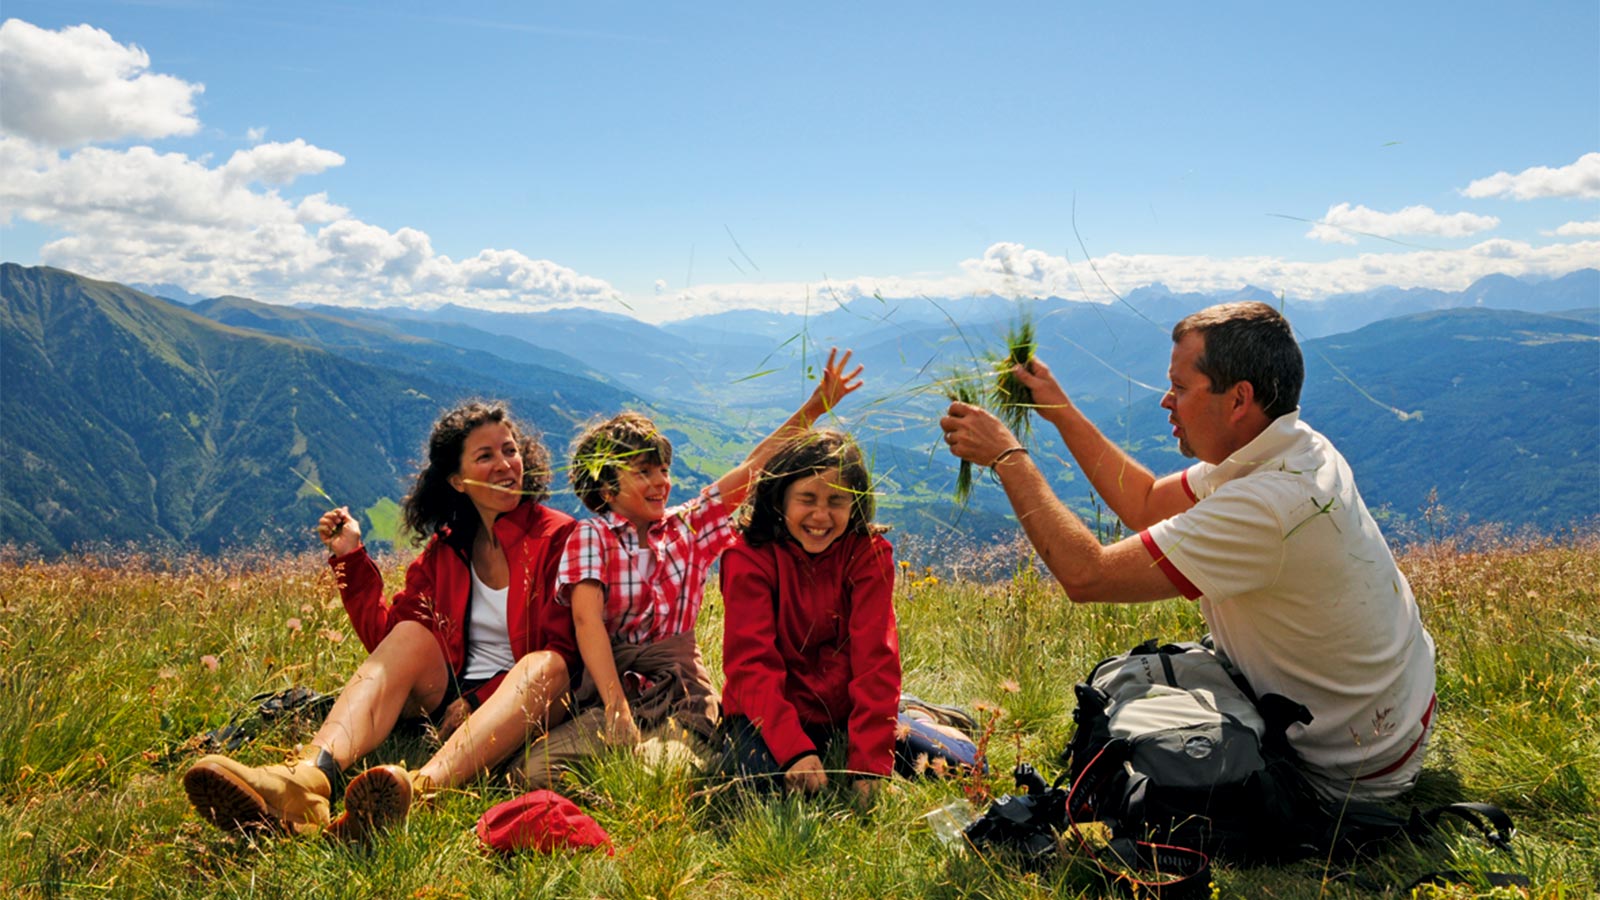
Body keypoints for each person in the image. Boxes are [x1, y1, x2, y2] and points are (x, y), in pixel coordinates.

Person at [939, 301, 1436, 801]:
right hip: (1392, 720)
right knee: (1126, 684)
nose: (1165, 401)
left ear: (1239, 399)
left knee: (1131, 722)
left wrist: (1007, 457)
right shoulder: (1289, 449)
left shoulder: (1271, 504)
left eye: (1179, 387)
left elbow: (1086, 576)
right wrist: (1060, 410)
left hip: (1348, 764)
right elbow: (1146, 502)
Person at [184, 401, 577, 838]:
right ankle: (309, 779)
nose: (506, 464)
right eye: (486, 456)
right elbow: (387, 645)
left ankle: (418, 791)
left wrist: (481, 698)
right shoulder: (448, 548)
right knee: (411, 631)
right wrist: (350, 557)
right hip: (447, 691)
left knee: (548, 664)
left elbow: (569, 651)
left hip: (530, 700)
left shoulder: (558, 537)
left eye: (510, 450)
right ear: (456, 481)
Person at [517, 349, 863, 787]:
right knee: (533, 770)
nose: (661, 481)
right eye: (643, 471)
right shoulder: (593, 536)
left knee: (649, 780)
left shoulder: (689, 527)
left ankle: (639, 788)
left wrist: (815, 408)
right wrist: (615, 706)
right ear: (607, 485)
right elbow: (587, 621)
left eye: (663, 469)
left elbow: (755, 467)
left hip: (682, 693)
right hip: (611, 691)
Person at [716, 429, 899, 803]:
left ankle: (925, 718)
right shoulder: (747, 557)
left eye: (837, 501)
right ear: (779, 498)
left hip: (842, 709)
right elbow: (750, 665)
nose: (821, 515)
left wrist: (868, 766)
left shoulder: (868, 555)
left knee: (944, 762)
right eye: (807, 499)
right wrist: (794, 749)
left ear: (856, 504)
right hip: (768, 710)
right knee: (757, 787)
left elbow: (875, 659)